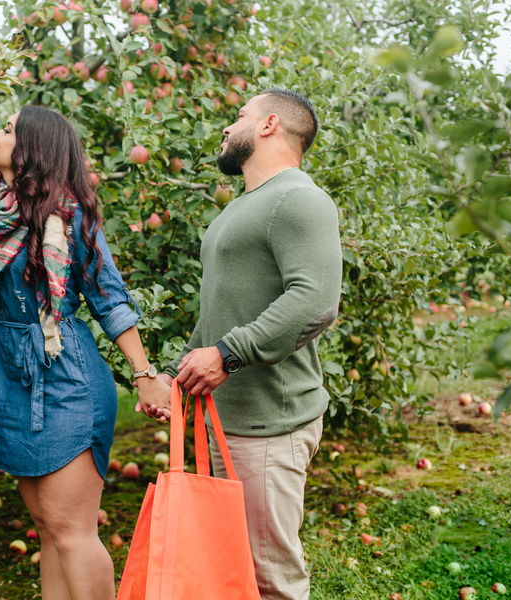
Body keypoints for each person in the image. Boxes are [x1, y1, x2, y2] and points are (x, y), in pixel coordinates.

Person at [0, 105, 172, 600]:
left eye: (6, 129)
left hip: (67, 378)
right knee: (48, 527)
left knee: (72, 532)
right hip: (15, 380)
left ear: (32, 148)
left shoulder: (71, 219)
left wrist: (144, 373)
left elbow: (110, 299)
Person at [158, 89, 342, 600]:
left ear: (269, 125)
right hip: (230, 420)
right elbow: (220, 313)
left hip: (270, 423)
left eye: (238, 116)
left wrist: (228, 354)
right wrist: (180, 377)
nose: (225, 127)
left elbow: (316, 300)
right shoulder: (243, 208)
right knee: (235, 570)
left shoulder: (299, 199)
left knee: (270, 577)